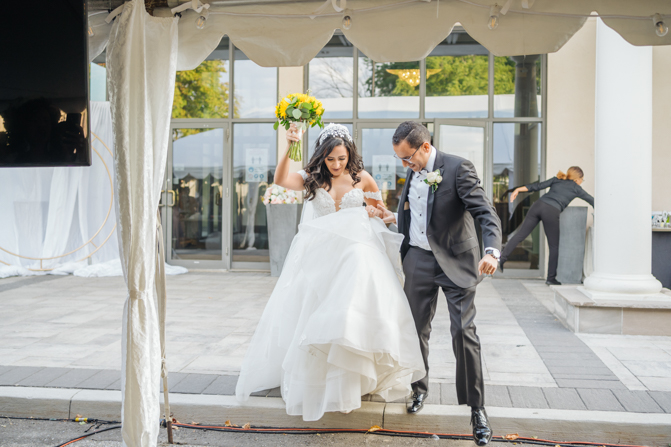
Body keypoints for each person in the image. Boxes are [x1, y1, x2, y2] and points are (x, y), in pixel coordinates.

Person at [235, 123, 425, 422]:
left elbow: (383, 213)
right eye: (330, 159)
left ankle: (349, 383)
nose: (336, 165)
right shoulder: (312, 178)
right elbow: (280, 179)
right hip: (319, 256)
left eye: (341, 158)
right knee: (315, 317)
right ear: (322, 157)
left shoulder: (363, 178)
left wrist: (375, 212)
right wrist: (290, 144)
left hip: (354, 255)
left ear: (350, 154)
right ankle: (319, 380)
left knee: (348, 314)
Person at [378, 121, 502, 446]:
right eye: (400, 159)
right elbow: (423, 215)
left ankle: (477, 409)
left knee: (463, 332)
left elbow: (485, 213)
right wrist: (394, 217)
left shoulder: (458, 168)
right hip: (418, 260)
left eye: (408, 158)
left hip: (457, 261)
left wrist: (492, 251)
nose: (405, 165)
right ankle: (418, 389)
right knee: (415, 330)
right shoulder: (413, 170)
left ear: (425, 146)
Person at [500, 166, 594, 286]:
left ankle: (502, 259)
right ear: (577, 179)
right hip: (551, 211)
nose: (581, 182)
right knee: (554, 246)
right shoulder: (576, 188)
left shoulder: (556, 180)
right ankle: (551, 278)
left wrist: (518, 190)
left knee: (520, 235)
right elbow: (592, 201)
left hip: (537, 206)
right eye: (582, 180)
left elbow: (537, 186)